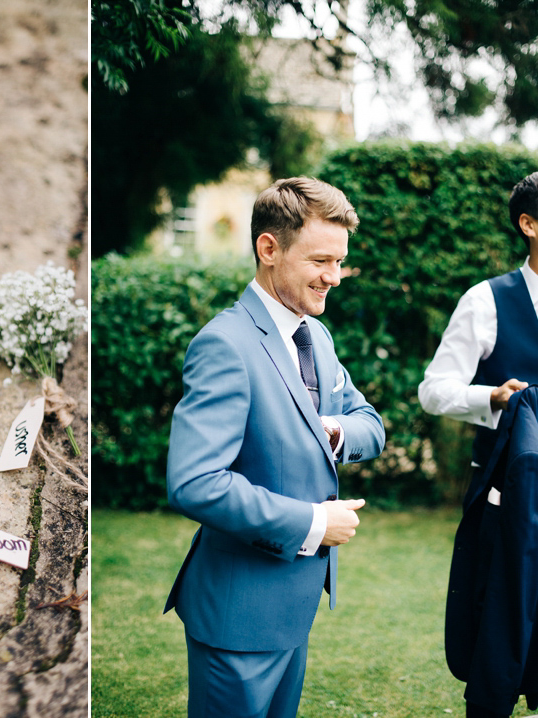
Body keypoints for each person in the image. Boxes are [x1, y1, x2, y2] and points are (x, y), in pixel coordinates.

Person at [164, 176, 386, 718]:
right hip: (239, 612)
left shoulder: (317, 335)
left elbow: (370, 425)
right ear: (269, 248)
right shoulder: (225, 344)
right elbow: (195, 483)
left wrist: (332, 430)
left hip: (292, 606)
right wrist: (313, 524)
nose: (333, 277)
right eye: (320, 261)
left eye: (340, 262)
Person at [419, 167, 538, 716]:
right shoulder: (485, 300)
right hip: (509, 506)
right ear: (528, 223)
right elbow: (434, 391)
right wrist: (491, 400)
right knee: (500, 639)